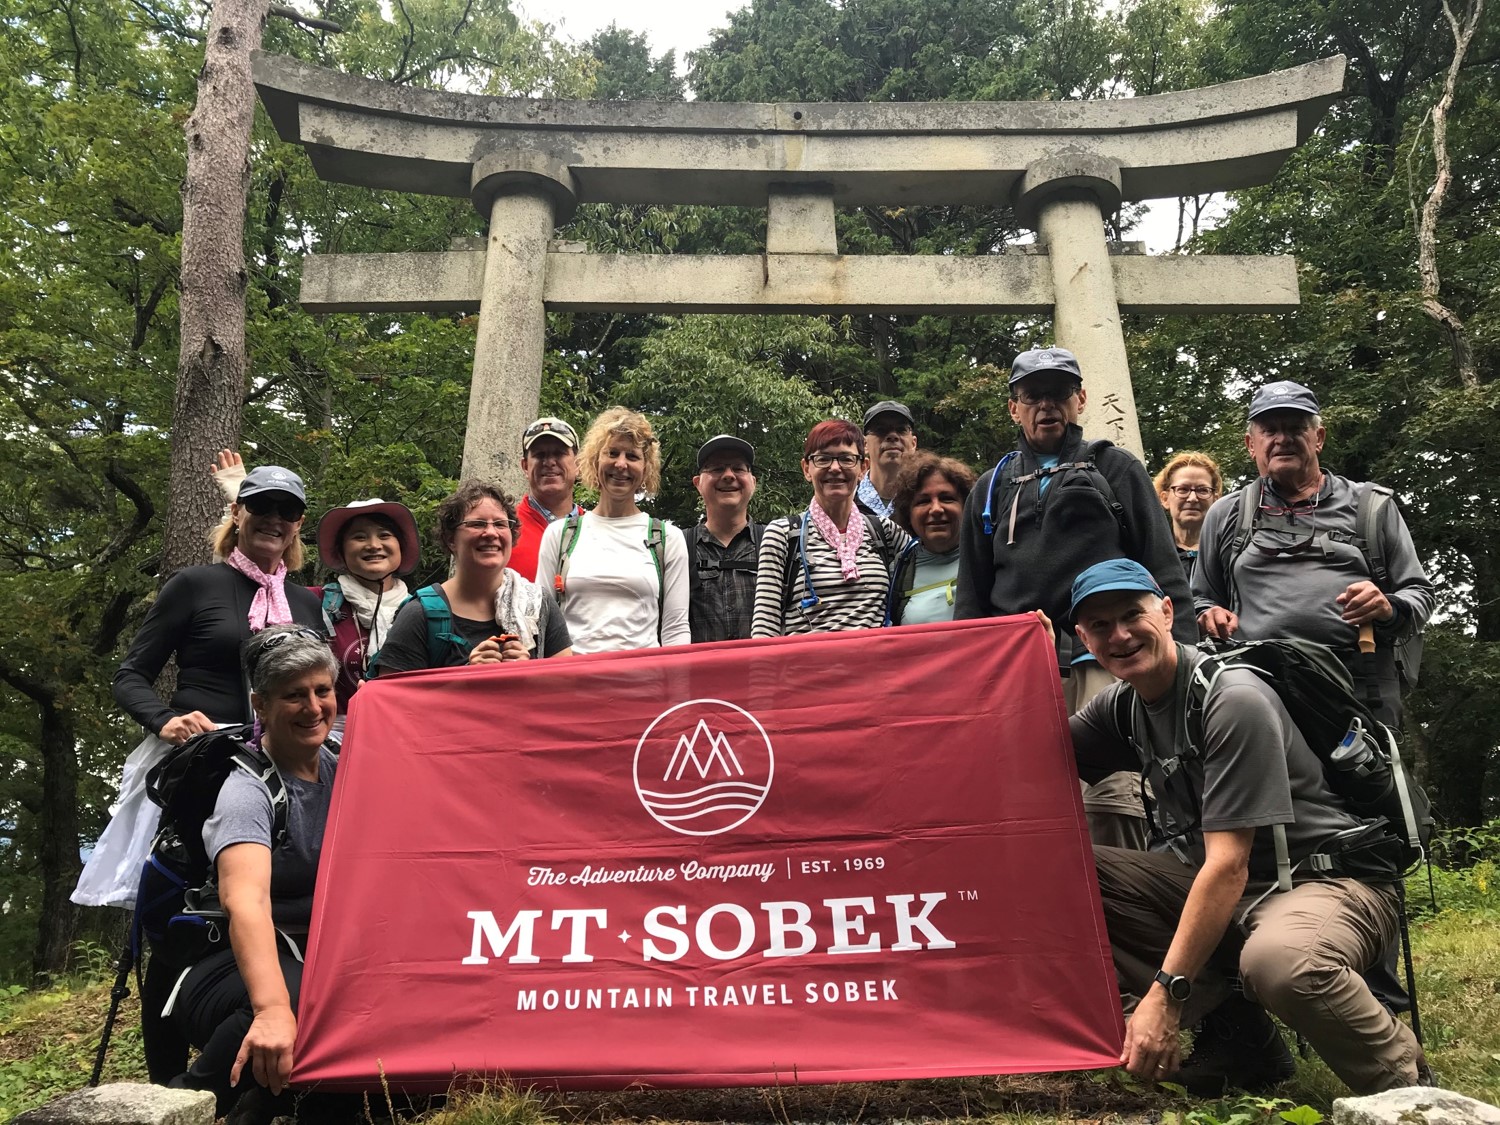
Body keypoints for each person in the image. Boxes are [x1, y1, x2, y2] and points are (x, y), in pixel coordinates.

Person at [1065, 559, 1427, 1096]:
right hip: (1232, 891)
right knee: (1069, 869)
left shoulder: (1232, 699)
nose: (1119, 635)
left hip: (1325, 881)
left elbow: (1228, 865)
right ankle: (1243, 1039)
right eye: (1099, 625)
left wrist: (1164, 995)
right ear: (1082, 638)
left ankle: (1407, 1088)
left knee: (1282, 964)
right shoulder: (1122, 705)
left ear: (1167, 612)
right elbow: (1024, 751)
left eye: (1131, 615)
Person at [955, 346, 1193, 849]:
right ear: (1013, 407)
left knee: (1114, 801)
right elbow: (972, 598)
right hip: (1018, 670)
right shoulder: (989, 487)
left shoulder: (1117, 468)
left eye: (1059, 394)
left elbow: (1163, 569)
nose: (1047, 406)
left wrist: (1186, 663)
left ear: (1080, 398)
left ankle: (1123, 918)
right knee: (1022, 799)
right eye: (1032, 395)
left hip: (1106, 659)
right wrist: (968, 679)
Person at [75, 466, 324, 911]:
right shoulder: (194, 585)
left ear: (299, 524)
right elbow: (129, 676)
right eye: (261, 506)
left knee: (282, 895)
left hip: (286, 765)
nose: (274, 517)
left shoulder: (305, 602)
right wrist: (165, 720)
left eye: (287, 509)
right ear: (237, 513)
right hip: (204, 762)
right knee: (189, 896)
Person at [168, 625, 342, 1123]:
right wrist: (271, 1009)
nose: (313, 708)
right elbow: (245, 901)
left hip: (313, 950)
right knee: (298, 1002)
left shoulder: (345, 759)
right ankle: (186, 1103)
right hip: (224, 962)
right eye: (293, 695)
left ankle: (268, 1105)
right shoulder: (247, 793)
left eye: (322, 691)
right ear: (259, 706)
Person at [1193, 381, 1434, 726]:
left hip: (1360, 677)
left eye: (1295, 428)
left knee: (1368, 778)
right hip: (1257, 680)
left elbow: (1420, 592)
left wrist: (1388, 607)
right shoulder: (1226, 513)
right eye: (1270, 430)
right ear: (1251, 445)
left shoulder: (1371, 505)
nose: (1282, 439)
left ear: (1318, 437)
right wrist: (1209, 615)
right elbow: (1200, 599)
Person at [370, 482, 571, 673]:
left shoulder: (540, 606)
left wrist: (529, 673)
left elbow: (566, 689)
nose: (491, 532)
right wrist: (466, 676)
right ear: (451, 539)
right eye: (477, 524)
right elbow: (392, 701)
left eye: (501, 524)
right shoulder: (419, 615)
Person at [534, 408, 690, 653]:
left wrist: (679, 688)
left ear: (646, 468)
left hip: (643, 684)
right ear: (596, 460)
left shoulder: (666, 538)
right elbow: (540, 619)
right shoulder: (561, 534)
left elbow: (675, 627)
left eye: (632, 456)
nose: (621, 464)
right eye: (612, 453)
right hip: (572, 682)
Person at [752, 419, 912, 637]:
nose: (835, 468)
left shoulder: (885, 532)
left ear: (862, 468)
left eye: (846, 459)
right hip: (805, 669)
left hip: (875, 669)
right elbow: (764, 629)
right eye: (823, 459)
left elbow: (932, 562)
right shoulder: (782, 535)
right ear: (806, 469)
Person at [311, 498, 420, 715]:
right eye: (359, 537)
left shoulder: (421, 610)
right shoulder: (314, 602)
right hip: (329, 738)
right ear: (341, 551)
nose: (373, 545)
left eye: (385, 535)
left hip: (404, 734)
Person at [684, 434, 764, 643]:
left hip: (763, 673)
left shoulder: (774, 543)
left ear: (753, 482)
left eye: (738, 468)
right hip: (700, 674)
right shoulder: (680, 546)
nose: (729, 475)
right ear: (697, 483)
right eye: (717, 468)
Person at [888, 453, 976, 625]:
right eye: (923, 501)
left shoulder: (990, 558)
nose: (936, 509)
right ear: (908, 513)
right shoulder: (898, 572)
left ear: (967, 506)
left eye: (947, 498)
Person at [509, 416, 584, 582]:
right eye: (539, 455)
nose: (549, 462)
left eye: (559, 453)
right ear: (525, 466)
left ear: (578, 464)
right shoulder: (504, 530)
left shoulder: (596, 530)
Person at [1154, 452, 1222, 581]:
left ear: (1215, 499)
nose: (1192, 498)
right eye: (1183, 489)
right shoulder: (1152, 556)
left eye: (1202, 490)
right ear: (1165, 499)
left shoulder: (1229, 553)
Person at [856, 400, 918, 518]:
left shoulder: (927, 501)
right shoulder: (845, 503)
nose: (892, 436)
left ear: (913, 443)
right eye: (881, 430)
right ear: (864, 444)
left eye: (901, 429)